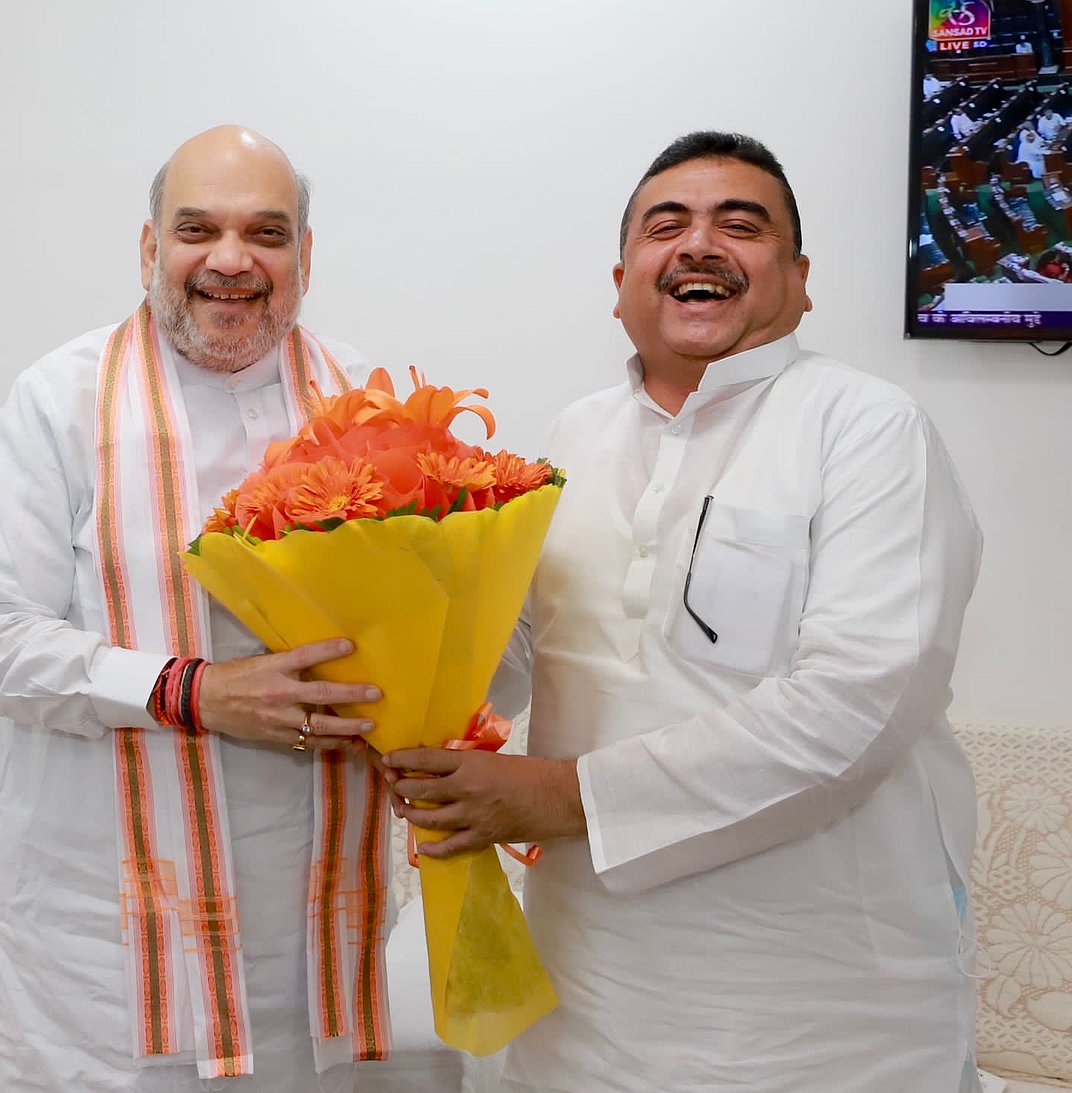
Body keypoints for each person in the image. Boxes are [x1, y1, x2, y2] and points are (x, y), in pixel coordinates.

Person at [383, 132, 983, 1092]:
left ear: (798, 278)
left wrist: (560, 795)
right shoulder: (572, 438)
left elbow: (857, 707)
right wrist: (385, 635)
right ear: (623, 280)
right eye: (669, 226)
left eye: (740, 226)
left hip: (824, 1023)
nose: (700, 244)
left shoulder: (867, 427)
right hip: (587, 1002)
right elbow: (527, 650)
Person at [0, 125, 391, 1092]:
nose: (232, 260)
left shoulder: (367, 404)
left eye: (266, 234)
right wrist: (191, 690)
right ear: (150, 248)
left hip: (307, 950)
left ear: (304, 258)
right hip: (96, 962)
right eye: (198, 229)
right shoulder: (61, 399)